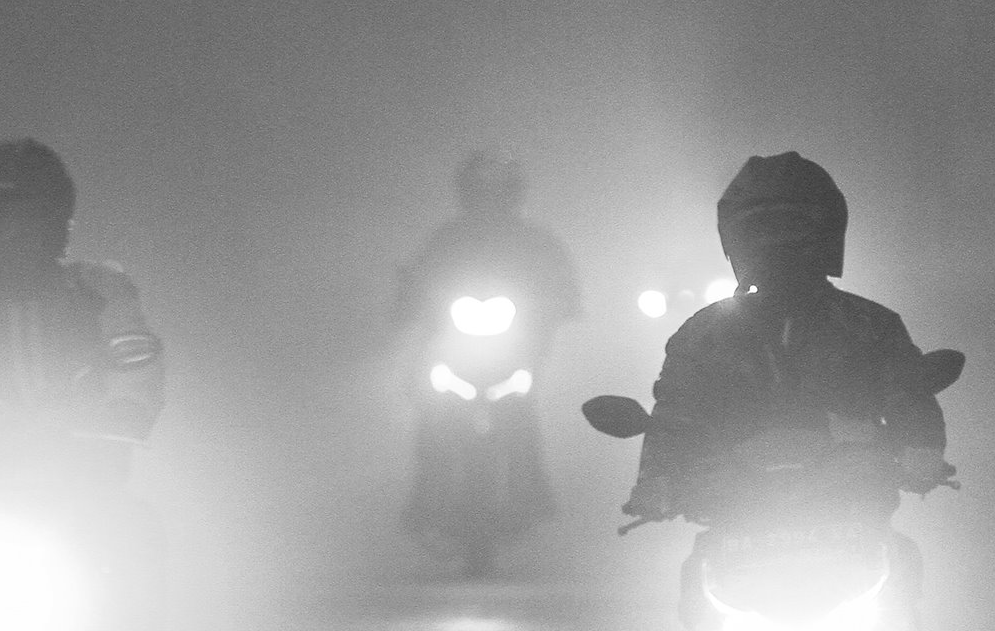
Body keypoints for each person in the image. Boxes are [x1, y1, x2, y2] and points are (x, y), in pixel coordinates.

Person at [624, 151, 949, 533]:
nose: (777, 243)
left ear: (824, 233)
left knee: (905, 566)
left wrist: (921, 450)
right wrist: (656, 479)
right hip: (739, 518)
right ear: (737, 238)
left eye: (792, 227)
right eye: (762, 230)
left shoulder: (870, 325)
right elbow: (677, 411)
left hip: (849, 511)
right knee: (693, 579)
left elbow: (908, 394)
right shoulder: (703, 334)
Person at [0, 138, 164, 483]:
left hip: (84, 489)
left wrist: (128, 408)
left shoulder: (99, 291)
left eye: (25, 216)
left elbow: (135, 358)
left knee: (142, 531)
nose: (10, 233)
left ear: (55, 217)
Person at [392, 150, 581, 538]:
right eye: (481, 192)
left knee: (521, 415)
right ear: (467, 193)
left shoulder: (536, 241)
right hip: (453, 346)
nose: (488, 200)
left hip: (517, 347)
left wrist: (557, 307)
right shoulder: (449, 238)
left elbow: (564, 287)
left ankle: (532, 498)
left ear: (512, 194)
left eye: (496, 192)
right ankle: (423, 505)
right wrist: (409, 302)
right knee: (429, 410)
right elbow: (419, 280)